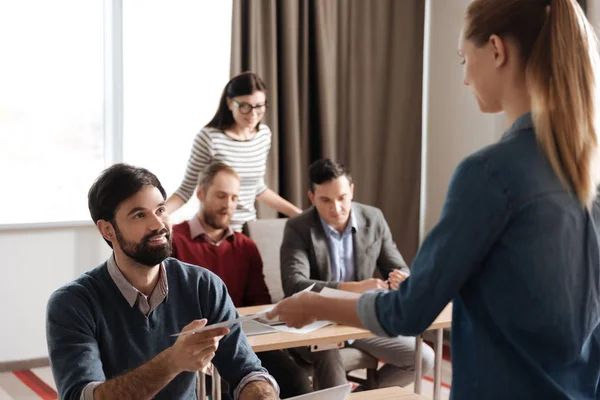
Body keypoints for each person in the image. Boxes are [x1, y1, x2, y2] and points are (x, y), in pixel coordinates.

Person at [268, 0, 600, 398]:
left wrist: (315, 304)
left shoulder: (489, 174)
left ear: (496, 50)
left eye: (463, 58)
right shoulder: (586, 172)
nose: (464, 78)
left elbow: (408, 311)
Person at [46, 163, 279, 400]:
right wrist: (172, 361)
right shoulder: (72, 303)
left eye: (160, 210)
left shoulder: (204, 286)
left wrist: (262, 394)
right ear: (108, 230)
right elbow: (80, 397)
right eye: (139, 215)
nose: (158, 225)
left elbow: (248, 373)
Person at [279, 158, 434, 390]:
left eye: (342, 198)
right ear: (311, 197)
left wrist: (402, 279)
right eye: (325, 200)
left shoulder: (374, 218)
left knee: (423, 358)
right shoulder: (298, 227)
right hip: (317, 322)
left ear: (351, 190)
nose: (336, 208)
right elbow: (294, 285)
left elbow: (397, 267)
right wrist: (354, 287)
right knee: (329, 357)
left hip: (361, 317)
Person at [171, 162, 314, 397]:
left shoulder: (246, 247)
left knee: (297, 381)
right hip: (193, 345)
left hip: (241, 341)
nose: (228, 205)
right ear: (200, 194)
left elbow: (259, 302)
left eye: (234, 198)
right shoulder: (175, 240)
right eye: (221, 196)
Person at [166, 71, 302, 231]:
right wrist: (159, 214)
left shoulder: (263, 135)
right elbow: (186, 189)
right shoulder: (209, 138)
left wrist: (299, 214)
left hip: (249, 230)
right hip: (215, 231)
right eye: (245, 106)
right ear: (230, 103)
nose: (252, 114)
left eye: (259, 106)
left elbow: (258, 188)